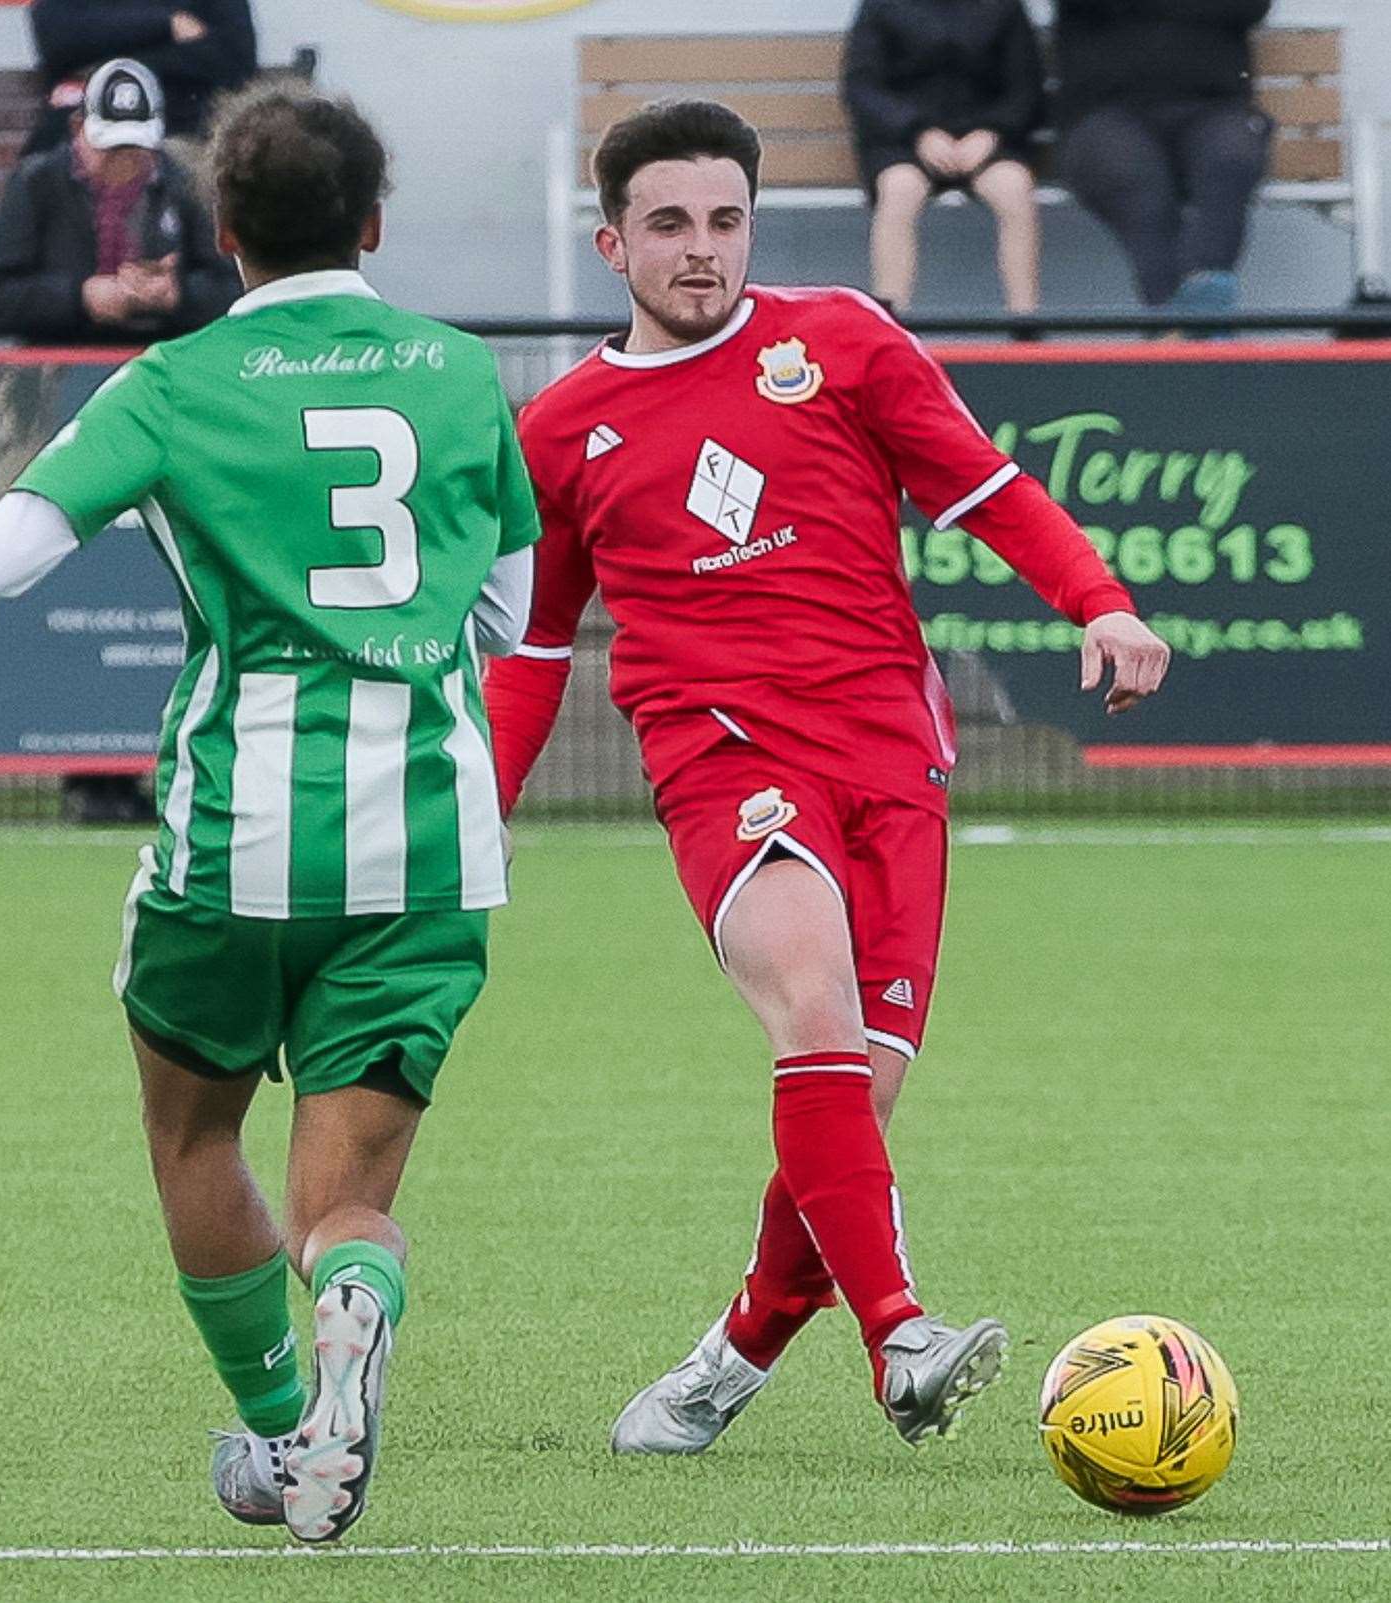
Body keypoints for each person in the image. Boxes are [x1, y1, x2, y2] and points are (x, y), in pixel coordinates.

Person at [0, 86, 541, 1545]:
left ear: (222, 234)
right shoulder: (464, 377)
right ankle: (351, 1300)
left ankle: (286, 1436)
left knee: (194, 1139)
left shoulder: (170, 382)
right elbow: (506, 611)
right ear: (373, 223)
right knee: (341, 1194)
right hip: (426, 839)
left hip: (239, 834)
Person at [484, 98, 1170, 1455]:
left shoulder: (843, 340)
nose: (701, 251)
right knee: (815, 1010)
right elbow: (536, 648)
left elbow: (984, 489)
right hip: (719, 756)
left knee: (856, 1086)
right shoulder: (559, 432)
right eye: (669, 226)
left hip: (890, 757)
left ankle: (730, 1352)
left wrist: (1099, 600)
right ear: (611, 242)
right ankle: (899, 1333)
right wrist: (472, 816)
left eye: (725, 221)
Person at [0, 60, 238, 344]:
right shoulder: (37, 181)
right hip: (59, 360)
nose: (123, 164)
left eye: (135, 150)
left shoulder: (184, 184)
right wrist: (81, 297)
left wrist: (177, 295)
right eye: (110, 149)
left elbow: (231, 287)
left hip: (160, 356)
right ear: (78, 128)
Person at [1056, 0, 1275, 312]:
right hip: (1104, 113)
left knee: (1232, 156)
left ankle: (1193, 308)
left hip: (1214, 107)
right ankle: (1188, 325)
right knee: (1134, 181)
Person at [843, 0, 1047, 313]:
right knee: (899, 190)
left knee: (1014, 188)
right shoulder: (882, 6)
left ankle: (1026, 322)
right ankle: (892, 323)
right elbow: (863, 85)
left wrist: (993, 131)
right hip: (904, 142)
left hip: (986, 140)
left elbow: (1025, 87)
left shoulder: (1003, 7)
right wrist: (917, 131)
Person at [23, 0, 257, 154]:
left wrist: (109, 60)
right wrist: (165, 25)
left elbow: (234, 60)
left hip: (180, 133)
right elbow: (56, 38)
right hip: (80, 134)